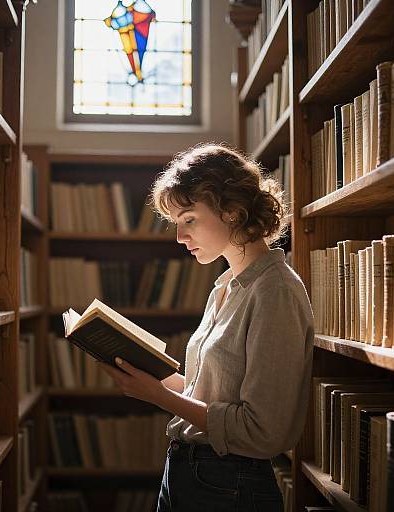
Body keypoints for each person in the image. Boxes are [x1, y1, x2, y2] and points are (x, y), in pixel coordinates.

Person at [99, 143, 314, 511]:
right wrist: (143, 367)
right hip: (188, 471)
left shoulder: (275, 291)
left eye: (189, 219)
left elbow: (263, 431)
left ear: (232, 211)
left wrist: (158, 396)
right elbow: (211, 395)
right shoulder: (226, 284)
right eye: (177, 224)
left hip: (229, 485)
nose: (180, 238)